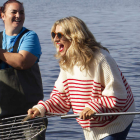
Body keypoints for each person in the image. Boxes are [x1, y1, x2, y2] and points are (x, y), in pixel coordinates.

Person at [28, 16, 135, 140]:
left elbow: (118, 96)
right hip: (91, 125)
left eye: (59, 34)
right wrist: (42, 108)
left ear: (75, 37)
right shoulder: (66, 63)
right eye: (53, 34)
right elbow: (62, 98)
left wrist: (94, 106)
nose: (56, 39)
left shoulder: (101, 59)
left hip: (115, 121)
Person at [0, 0, 47, 139]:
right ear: (2, 15)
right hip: (3, 116)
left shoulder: (30, 37)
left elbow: (22, 62)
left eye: (21, 12)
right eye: (13, 12)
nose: (18, 15)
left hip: (29, 115)